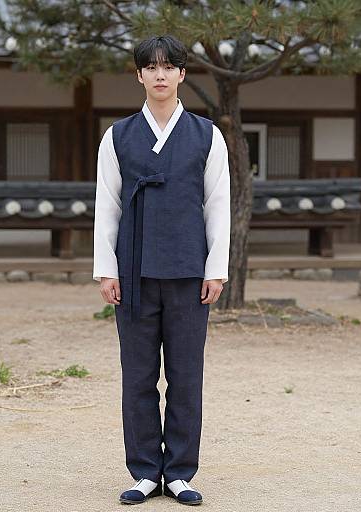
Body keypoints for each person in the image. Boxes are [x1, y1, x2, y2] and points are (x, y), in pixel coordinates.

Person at [93, 34, 230, 506]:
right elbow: (106, 206)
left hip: (190, 270)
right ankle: (146, 471)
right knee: (138, 376)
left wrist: (216, 269)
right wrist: (105, 270)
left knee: (187, 375)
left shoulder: (207, 135)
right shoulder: (118, 135)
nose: (159, 75)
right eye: (150, 67)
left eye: (168, 66)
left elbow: (218, 205)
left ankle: (181, 473)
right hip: (132, 270)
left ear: (181, 74)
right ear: (138, 75)